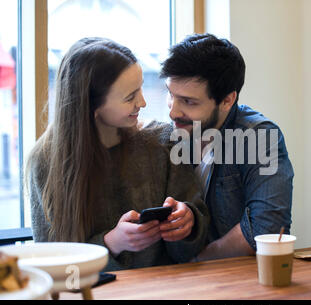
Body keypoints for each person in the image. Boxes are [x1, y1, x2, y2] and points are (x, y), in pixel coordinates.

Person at [26, 37, 209, 271]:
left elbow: (193, 237)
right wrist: (110, 243)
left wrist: (189, 221)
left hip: (165, 290)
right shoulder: (44, 163)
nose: (142, 102)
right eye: (130, 97)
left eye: (141, 88)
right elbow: (50, 263)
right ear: (92, 106)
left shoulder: (164, 142)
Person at [153, 33, 294, 261]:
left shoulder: (259, 137)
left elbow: (266, 230)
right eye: (171, 95)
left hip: (236, 282)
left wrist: (195, 267)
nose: (172, 112)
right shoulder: (170, 136)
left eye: (189, 102)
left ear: (227, 100)